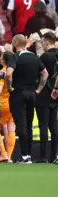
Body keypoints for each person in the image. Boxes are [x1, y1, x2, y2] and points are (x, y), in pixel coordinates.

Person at [5, 34, 48, 163]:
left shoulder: (15, 57)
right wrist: (39, 89)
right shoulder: (35, 57)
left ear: (15, 43)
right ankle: (28, 154)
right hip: (32, 93)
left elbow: (8, 73)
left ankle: (24, 156)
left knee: (21, 124)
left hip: (18, 93)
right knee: (28, 124)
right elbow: (45, 73)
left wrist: (9, 86)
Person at [38, 32, 58, 163]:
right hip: (55, 94)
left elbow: (38, 73)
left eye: (41, 42)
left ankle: (43, 156)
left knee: (43, 125)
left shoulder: (45, 56)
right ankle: (54, 155)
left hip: (45, 92)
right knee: (54, 125)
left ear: (46, 41)